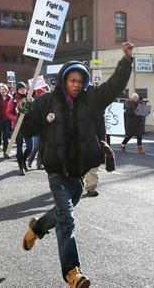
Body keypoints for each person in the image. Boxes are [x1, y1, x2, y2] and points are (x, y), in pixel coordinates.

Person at [20, 42, 134, 288]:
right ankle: (72, 273)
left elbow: (115, 85)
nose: (76, 85)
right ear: (63, 80)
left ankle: (37, 228)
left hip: (79, 171)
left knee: (62, 212)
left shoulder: (92, 99)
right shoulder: (45, 102)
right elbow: (29, 129)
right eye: (72, 80)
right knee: (67, 219)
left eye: (80, 81)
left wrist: (125, 62)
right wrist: (25, 111)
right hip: (56, 170)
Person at [7, 82, 32, 175]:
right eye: (21, 88)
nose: (23, 90)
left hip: (28, 126)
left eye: (24, 88)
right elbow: (8, 113)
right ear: (17, 89)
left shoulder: (29, 98)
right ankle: (21, 167)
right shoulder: (13, 100)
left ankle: (24, 160)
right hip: (17, 127)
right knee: (19, 147)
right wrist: (16, 119)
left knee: (30, 147)